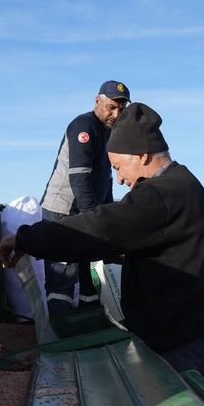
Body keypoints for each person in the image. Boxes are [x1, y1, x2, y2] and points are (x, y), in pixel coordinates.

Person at [0, 102, 204, 387]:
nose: (120, 179)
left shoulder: (161, 195)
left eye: (119, 167)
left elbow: (98, 228)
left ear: (142, 155)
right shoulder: (181, 184)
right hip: (187, 339)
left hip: (189, 349)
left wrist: (27, 239)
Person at [38, 80, 130, 315]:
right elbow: (79, 178)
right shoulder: (84, 126)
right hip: (64, 211)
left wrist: (108, 215)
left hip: (87, 210)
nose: (115, 113)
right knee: (63, 274)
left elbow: (105, 178)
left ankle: (90, 324)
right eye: (111, 106)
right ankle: (62, 332)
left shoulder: (110, 133)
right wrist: (93, 219)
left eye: (121, 108)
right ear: (97, 101)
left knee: (91, 273)